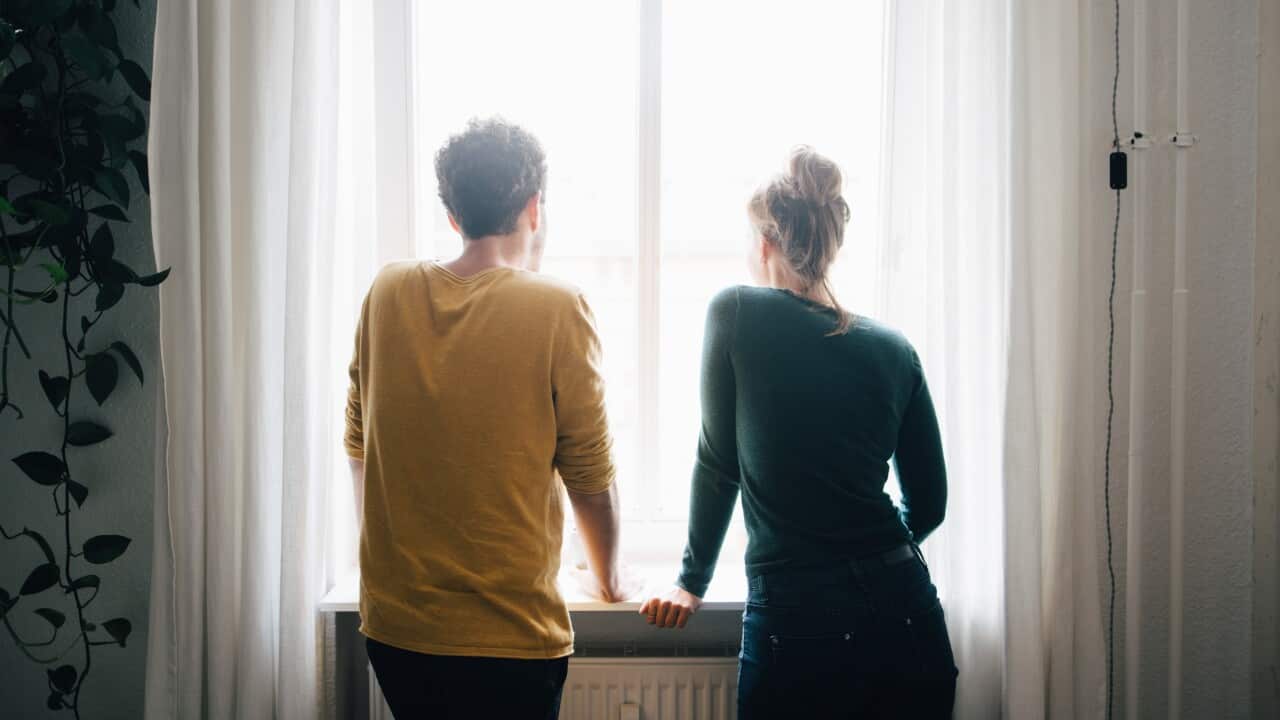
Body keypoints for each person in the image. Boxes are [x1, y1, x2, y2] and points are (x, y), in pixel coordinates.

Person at [639, 147, 957, 718]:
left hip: (799, 619)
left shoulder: (737, 312)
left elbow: (718, 463)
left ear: (763, 244)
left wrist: (691, 581)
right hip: (905, 613)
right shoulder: (894, 350)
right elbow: (929, 506)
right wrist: (863, 553)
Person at [344, 118, 634, 719]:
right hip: (511, 639)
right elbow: (590, 477)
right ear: (535, 208)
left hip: (397, 633)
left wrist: (390, 562)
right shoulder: (557, 306)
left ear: (454, 216)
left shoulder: (387, 291)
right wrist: (608, 579)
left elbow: (359, 443)